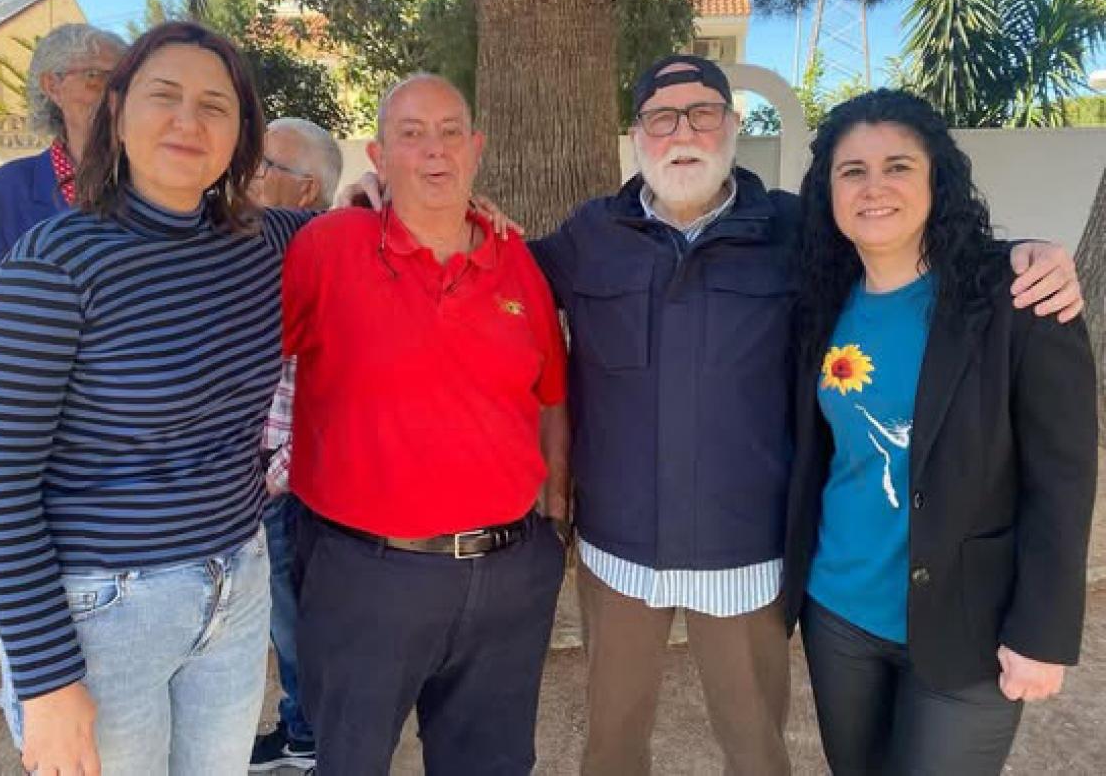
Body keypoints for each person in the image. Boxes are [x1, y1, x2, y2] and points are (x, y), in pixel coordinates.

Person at [341, 55, 1084, 775]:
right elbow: (486, 267)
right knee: (610, 750)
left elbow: (902, 244)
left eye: (702, 113)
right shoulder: (590, 236)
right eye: (662, 118)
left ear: (731, 125)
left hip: (748, 555)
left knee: (756, 750)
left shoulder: (796, 230)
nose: (683, 132)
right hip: (619, 554)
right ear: (637, 134)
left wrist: (1022, 256)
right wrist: (395, 197)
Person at [0, 21, 316, 775]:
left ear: (241, 134)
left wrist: (391, 196)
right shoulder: (51, 269)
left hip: (236, 592)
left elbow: (361, 228)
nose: (189, 121)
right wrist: (47, 682)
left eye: (215, 106)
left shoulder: (261, 243)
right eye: (165, 96)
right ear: (118, 112)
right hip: (104, 616)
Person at [783, 89, 1098, 775]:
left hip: (970, 624)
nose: (874, 187)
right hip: (838, 614)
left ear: (937, 181)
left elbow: (1063, 478)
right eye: (852, 171)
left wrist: (1042, 630)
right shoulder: (820, 301)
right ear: (828, 193)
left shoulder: (1017, 296)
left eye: (898, 166)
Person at [281, 73, 570, 774]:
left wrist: (555, 516)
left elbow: (550, 398)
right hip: (365, 576)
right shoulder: (327, 246)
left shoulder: (517, 260)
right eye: (411, 134)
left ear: (476, 149)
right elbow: (250, 359)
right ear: (379, 157)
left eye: (449, 133)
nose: (434, 150)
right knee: (349, 761)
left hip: (508, 575)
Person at [246, 117, 344, 774]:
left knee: (296, 621)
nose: (249, 176)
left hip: (289, 483)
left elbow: (332, 387)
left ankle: (310, 735)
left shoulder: (323, 260)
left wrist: (274, 476)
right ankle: (303, 726)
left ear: (306, 190)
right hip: (263, 477)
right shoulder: (259, 252)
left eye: (265, 167)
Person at [0, 22, 126, 345]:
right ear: (53, 86)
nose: (115, 95)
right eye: (95, 77)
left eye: (125, 81)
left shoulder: (160, 187)